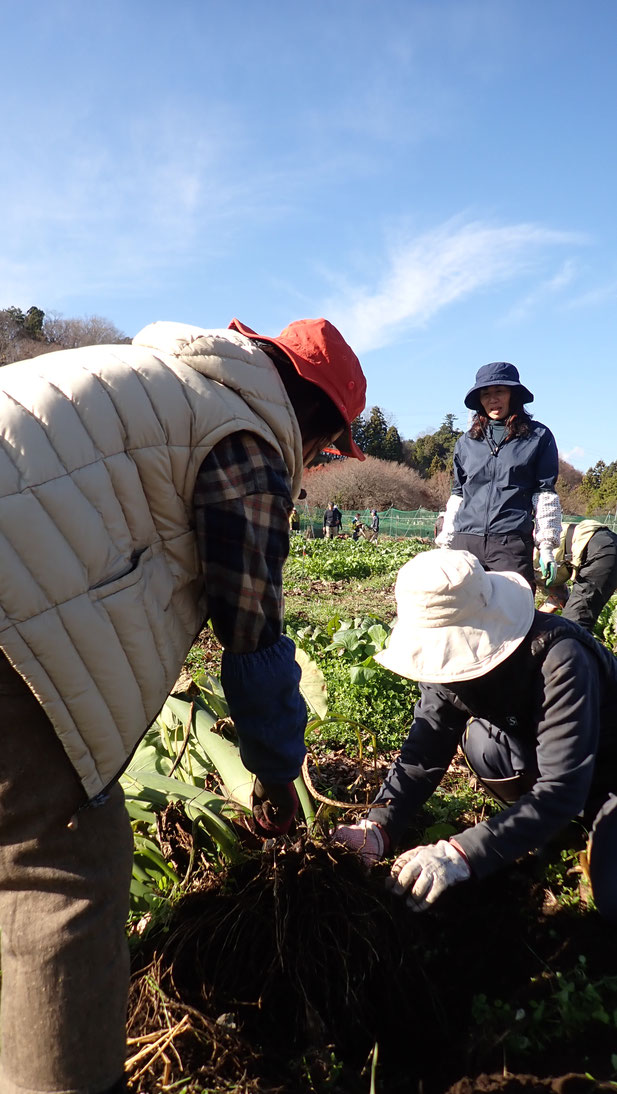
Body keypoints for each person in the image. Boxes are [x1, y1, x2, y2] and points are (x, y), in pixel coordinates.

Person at [0, 315, 366, 1094]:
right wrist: (276, 774)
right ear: (317, 424)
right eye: (325, 451)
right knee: (56, 868)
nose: (313, 466)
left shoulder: (134, 380)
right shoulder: (244, 437)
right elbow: (252, 634)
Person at [334, 549, 617, 923]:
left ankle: (575, 821)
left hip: (606, 768)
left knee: (612, 898)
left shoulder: (560, 657)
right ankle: (551, 826)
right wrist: (379, 826)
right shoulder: (445, 669)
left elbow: (562, 786)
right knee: (482, 743)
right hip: (547, 759)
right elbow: (425, 749)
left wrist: (462, 854)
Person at [436, 362, 561, 590]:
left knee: (513, 615)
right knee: (462, 614)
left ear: (514, 395)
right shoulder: (466, 443)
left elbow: (544, 493)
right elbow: (458, 495)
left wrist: (546, 546)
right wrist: (447, 541)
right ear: (479, 401)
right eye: (486, 394)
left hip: (510, 543)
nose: (492, 399)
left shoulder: (538, 436)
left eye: (499, 392)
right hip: (466, 542)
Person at [536, 519, 617, 633]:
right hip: (601, 544)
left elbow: (522, 619)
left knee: (571, 629)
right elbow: (559, 598)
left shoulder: (513, 565)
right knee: (572, 625)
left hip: (596, 548)